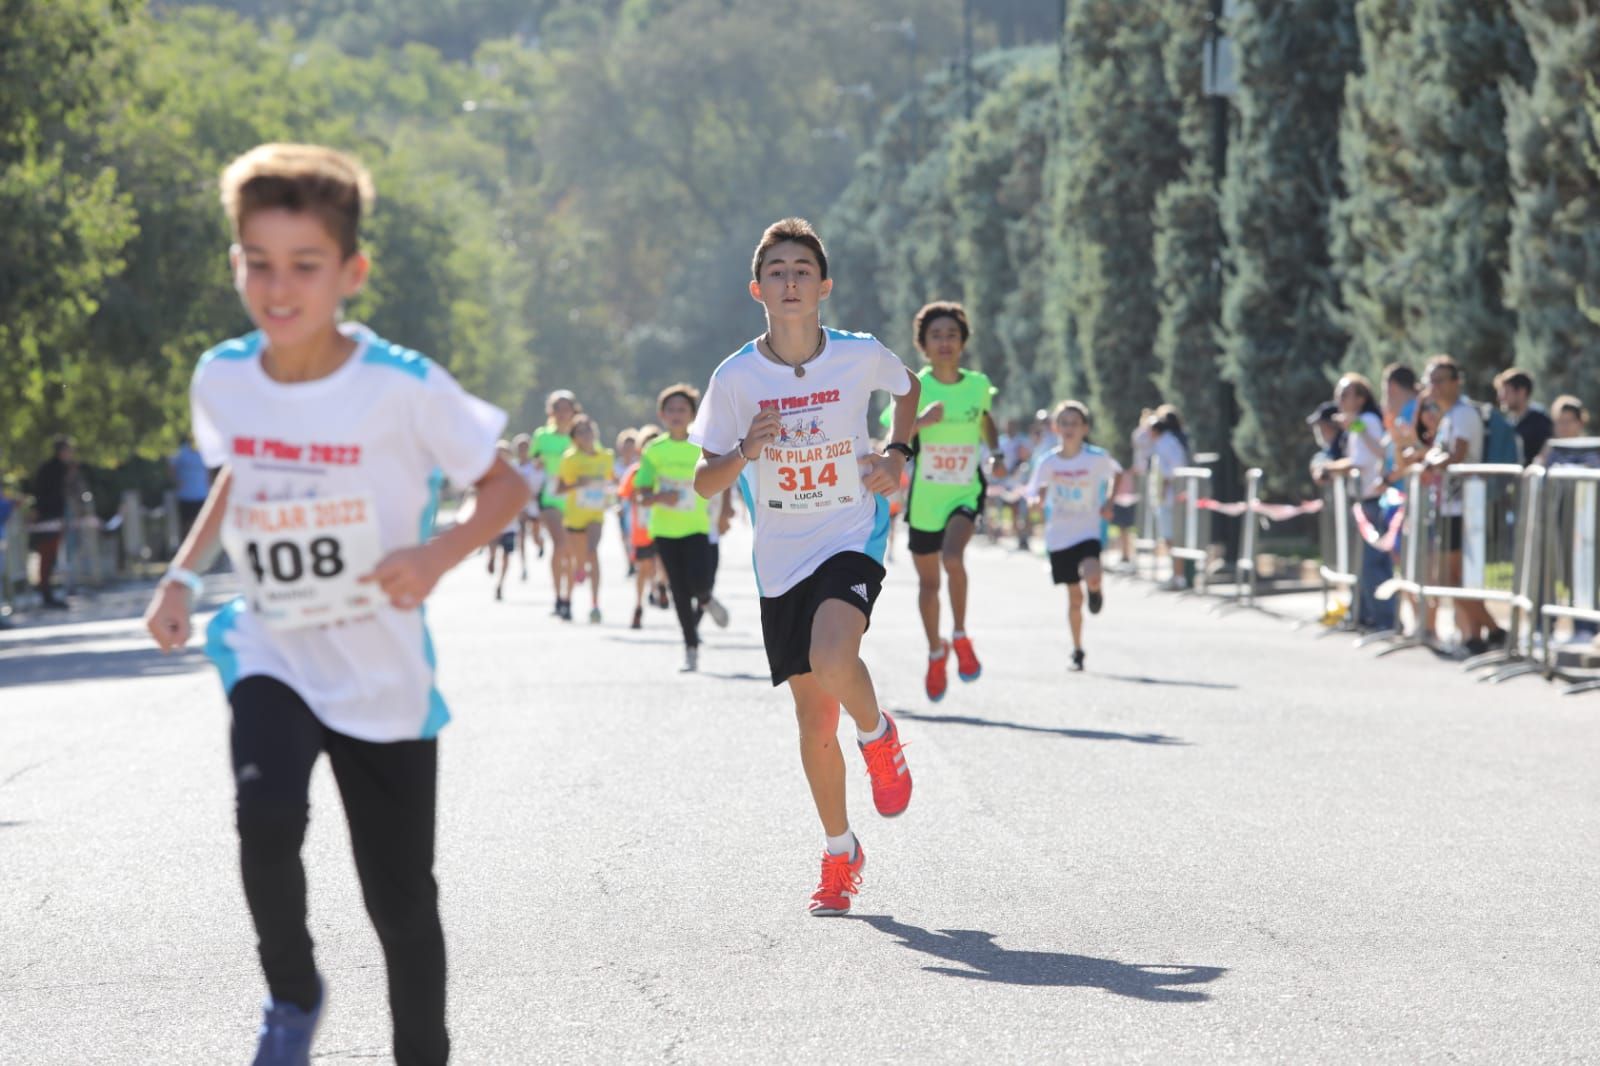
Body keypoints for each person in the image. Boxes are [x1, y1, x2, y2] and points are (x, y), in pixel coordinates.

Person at [139, 143, 527, 1066]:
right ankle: (292, 992)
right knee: (265, 816)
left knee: (400, 902)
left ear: (349, 272)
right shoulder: (223, 376)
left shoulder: (402, 385)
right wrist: (182, 577)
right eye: (258, 263)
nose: (279, 288)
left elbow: (505, 489)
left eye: (304, 266)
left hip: (382, 674)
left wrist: (435, 554)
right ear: (235, 263)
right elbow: (241, 473)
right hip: (275, 644)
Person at [691, 217, 919, 917]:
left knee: (832, 654)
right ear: (757, 289)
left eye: (803, 270)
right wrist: (745, 453)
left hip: (851, 531)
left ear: (824, 286)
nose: (791, 282)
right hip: (780, 559)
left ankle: (880, 737)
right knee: (814, 722)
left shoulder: (857, 355)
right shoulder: (735, 377)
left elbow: (907, 392)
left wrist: (896, 455)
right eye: (778, 271)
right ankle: (840, 851)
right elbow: (705, 481)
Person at [892, 301, 998, 702]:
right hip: (925, 500)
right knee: (928, 582)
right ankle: (937, 652)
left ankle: (960, 635)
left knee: (953, 558)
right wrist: (921, 422)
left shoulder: (977, 384)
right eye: (936, 336)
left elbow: (986, 419)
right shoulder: (914, 387)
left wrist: (998, 452)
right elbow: (894, 435)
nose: (945, 342)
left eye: (952, 335)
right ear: (923, 344)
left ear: (963, 342)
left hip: (965, 490)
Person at [636, 384, 729, 672]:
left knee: (701, 581)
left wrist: (725, 510)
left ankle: (705, 598)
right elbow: (641, 492)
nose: (676, 414)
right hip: (664, 530)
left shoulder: (702, 444)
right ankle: (691, 647)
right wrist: (659, 497)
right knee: (678, 590)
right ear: (662, 414)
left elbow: (722, 477)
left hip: (697, 526)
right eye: (671, 410)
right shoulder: (654, 450)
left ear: (692, 414)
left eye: (682, 409)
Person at [1026, 401, 1121, 671]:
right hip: (1059, 534)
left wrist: (1110, 502)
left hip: (1088, 529)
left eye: (1075, 423)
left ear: (1084, 428)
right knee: (1073, 598)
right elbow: (1032, 491)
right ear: (1056, 428)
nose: (1069, 428)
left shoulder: (1096, 457)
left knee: (1092, 573)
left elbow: (1117, 473)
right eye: (1064, 423)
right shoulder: (1049, 462)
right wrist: (1035, 501)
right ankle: (1078, 650)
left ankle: (1096, 589)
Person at [1422, 354, 1503, 655]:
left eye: (1441, 380)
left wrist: (1434, 462)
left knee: (1449, 578)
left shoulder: (1463, 414)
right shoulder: (1448, 416)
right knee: (1449, 579)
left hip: (1464, 509)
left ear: (1456, 382)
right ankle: (1481, 635)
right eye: (1431, 380)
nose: (1435, 386)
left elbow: (1456, 454)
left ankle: (1492, 632)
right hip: (1449, 509)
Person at [1322, 374, 1394, 632]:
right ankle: (1363, 614)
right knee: (1364, 562)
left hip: (1375, 499)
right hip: (1367, 498)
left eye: (1344, 395)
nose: (1339, 401)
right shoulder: (1358, 424)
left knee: (1372, 563)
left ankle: (1385, 619)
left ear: (1360, 398)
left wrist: (1329, 468)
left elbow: (1365, 459)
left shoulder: (1366, 421)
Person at [557, 415, 614, 624]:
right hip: (574, 516)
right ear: (574, 438)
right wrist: (578, 483)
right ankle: (568, 600)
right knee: (577, 561)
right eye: (580, 432)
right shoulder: (570, 458)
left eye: (588, 430)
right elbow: (560, 488)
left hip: (595, 514)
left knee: (593, 551)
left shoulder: (606, 456)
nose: (586, 435)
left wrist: (610, 492)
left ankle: (595, 604)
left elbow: (610, 481)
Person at [532, 391, 579, 619]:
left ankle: (567, 598)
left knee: (569, 550)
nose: (562, 413)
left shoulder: (580, 434)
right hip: (549, 497)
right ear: (551, 412)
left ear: (573, 410)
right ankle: (556, 595)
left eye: (566, 408)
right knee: (560, 544)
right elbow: (532, 463)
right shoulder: (542, 436)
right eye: (557, 408)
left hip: (574, 499)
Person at [617, 427, 664, 630]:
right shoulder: (635, 471)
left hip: (665, 524)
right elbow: (625, 495)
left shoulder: (667, 470)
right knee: (643, 569)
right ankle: (638, 606)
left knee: (663, 562)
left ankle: (661, 585)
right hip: (642, 527)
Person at [26, 437, 74, 609]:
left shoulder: (52, 468)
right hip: (49, 518)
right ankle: (46, 593)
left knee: (50, 558)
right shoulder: (55, 469)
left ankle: (48, 592)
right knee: (47, 557)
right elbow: (49, 495)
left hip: (51, 516)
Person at [1148, 406, 1190, 590]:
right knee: (1169, 537)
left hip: (1170, 497)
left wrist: (1165, 486)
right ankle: (1176, 574)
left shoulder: (1167, 442)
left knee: (1172, 537)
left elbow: (1174, 467)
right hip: (1167, 496)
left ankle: (1178, 575)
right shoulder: (1167, 441)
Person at [1494, 367, 1554, 466]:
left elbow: (1547, 450)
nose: (1500, 397)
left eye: (1506, 391)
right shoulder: (1509, 422)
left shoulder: (1540, 421)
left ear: (1521, 392)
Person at [486, 441, 520, 602]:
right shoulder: (488, 471)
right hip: (492, 520)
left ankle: (500, 583)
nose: (501, 455)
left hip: (510, 522)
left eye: (504, 452)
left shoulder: (515, 472)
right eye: (498, 452)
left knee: (507, 555)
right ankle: (491, 557)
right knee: (492, 542)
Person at [172, 438, 212, 543]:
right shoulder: (180, 451)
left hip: (202, 494)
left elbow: (208, 470)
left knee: (201, 523)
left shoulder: (204, 451)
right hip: (185, 495)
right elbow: (171, 467)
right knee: (186, 524)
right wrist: (176, 482)